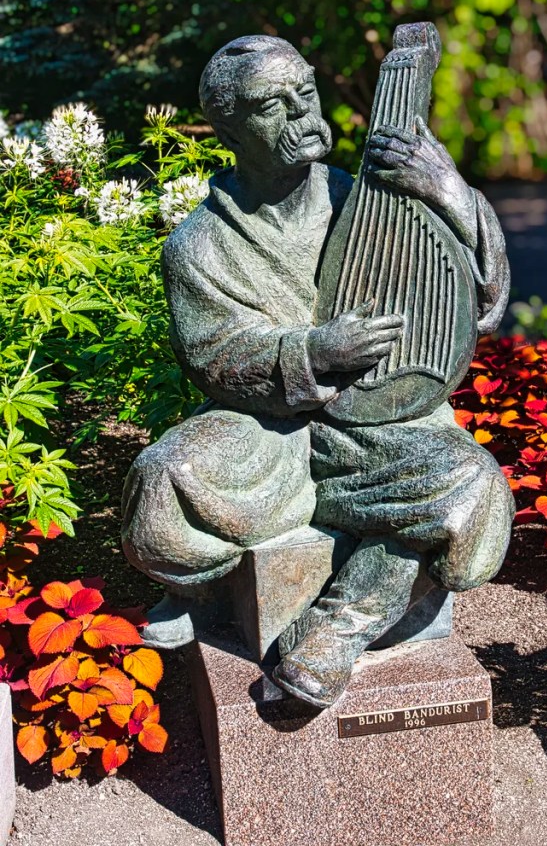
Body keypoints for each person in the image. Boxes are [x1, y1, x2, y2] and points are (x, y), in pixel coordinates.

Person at [121, 35, 515, 708]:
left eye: (305, 92)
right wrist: (311, 353)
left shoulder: (370, 202)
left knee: (470, 486)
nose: (301, 114)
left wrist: (450, 195)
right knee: (163, 482)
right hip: (269, 433)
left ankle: (337, 628)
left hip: (373, 431)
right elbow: (215, 356)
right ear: (228, 126)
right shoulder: (199, 245)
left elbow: (474, 306)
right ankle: (204, 590)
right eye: (272, 105)